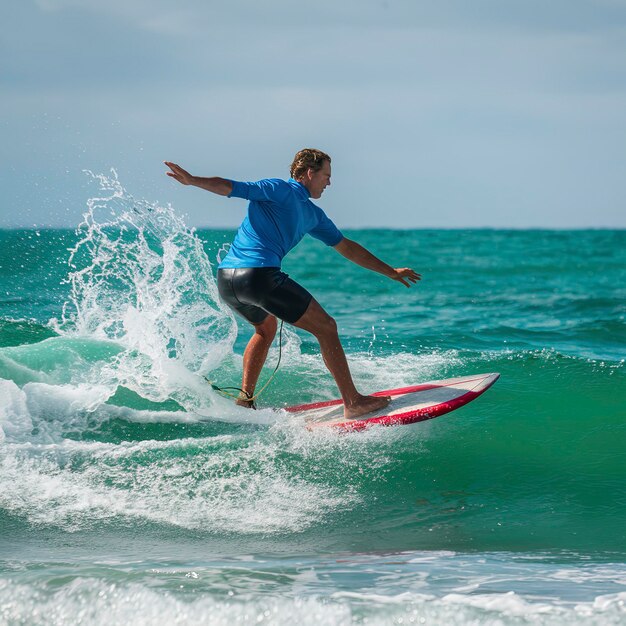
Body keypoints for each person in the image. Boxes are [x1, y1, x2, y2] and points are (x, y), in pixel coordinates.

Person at [165, 149, 420, 419]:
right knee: (327, 327)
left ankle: (245, 401)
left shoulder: (313, 215)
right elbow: (233, 188)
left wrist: (388, 270)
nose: (329, 183)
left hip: (228, 281)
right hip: (258, 276)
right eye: (326, 175)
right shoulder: (279, 189)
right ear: (309, 172)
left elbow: (346, 246)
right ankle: (353, 401)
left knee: (265, 328)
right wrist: (193, 180)